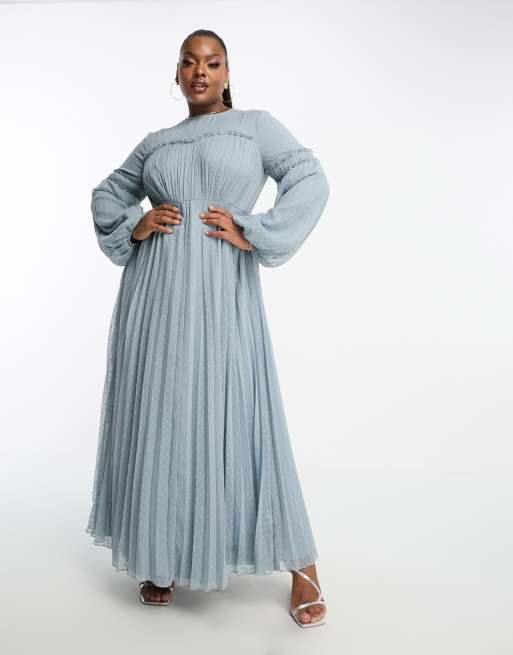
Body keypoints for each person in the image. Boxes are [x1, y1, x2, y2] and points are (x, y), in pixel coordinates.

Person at [85, 29, 330, 628]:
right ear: (176, 75)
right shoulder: (156, 143)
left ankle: (302, 566)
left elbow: (310, 178)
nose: (200, 72)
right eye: (190, 63)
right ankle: (161, 553)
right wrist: (136, 225)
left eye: (212, 62)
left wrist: (255, 230)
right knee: (164, 415)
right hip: (155, 298)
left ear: (226, 72)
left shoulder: (255, 127)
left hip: (223, 295)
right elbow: (107, 194)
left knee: (244, 411)